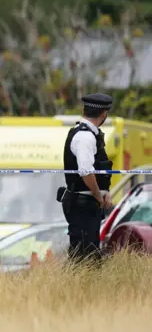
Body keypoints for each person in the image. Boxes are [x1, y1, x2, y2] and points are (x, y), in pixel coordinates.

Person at [59, 93, 114, 266]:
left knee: (90, 254)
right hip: (83, 203)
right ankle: (77, 291)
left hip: (88, 203)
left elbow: (98, 171)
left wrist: (105, 193)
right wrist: (99, 195)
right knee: (84, 256)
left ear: (83, 110)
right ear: (104, 114)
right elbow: (86, 172)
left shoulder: (91, 134)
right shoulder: (85, 137)